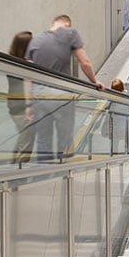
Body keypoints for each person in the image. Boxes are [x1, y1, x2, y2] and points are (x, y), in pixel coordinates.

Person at [27, 14, 104, 161]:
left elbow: (27, 75)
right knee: (65, 138)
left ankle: (44, 175)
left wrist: (28, 103)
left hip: (39, 97)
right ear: (67, 24)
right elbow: (85, 62)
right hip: (61, 96)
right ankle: (65, 174)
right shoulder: (70, 33)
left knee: (43, 139)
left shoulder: (35, 41)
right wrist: (94, 82)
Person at [6, 31, 35, 164]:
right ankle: (19, 171)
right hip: (24, 106)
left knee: (23, 136)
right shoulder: (27, 64)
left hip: (12, 104)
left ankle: (13, 165)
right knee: (27, 139)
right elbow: (27, 84)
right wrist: (29, 106)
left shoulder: (10, 61)